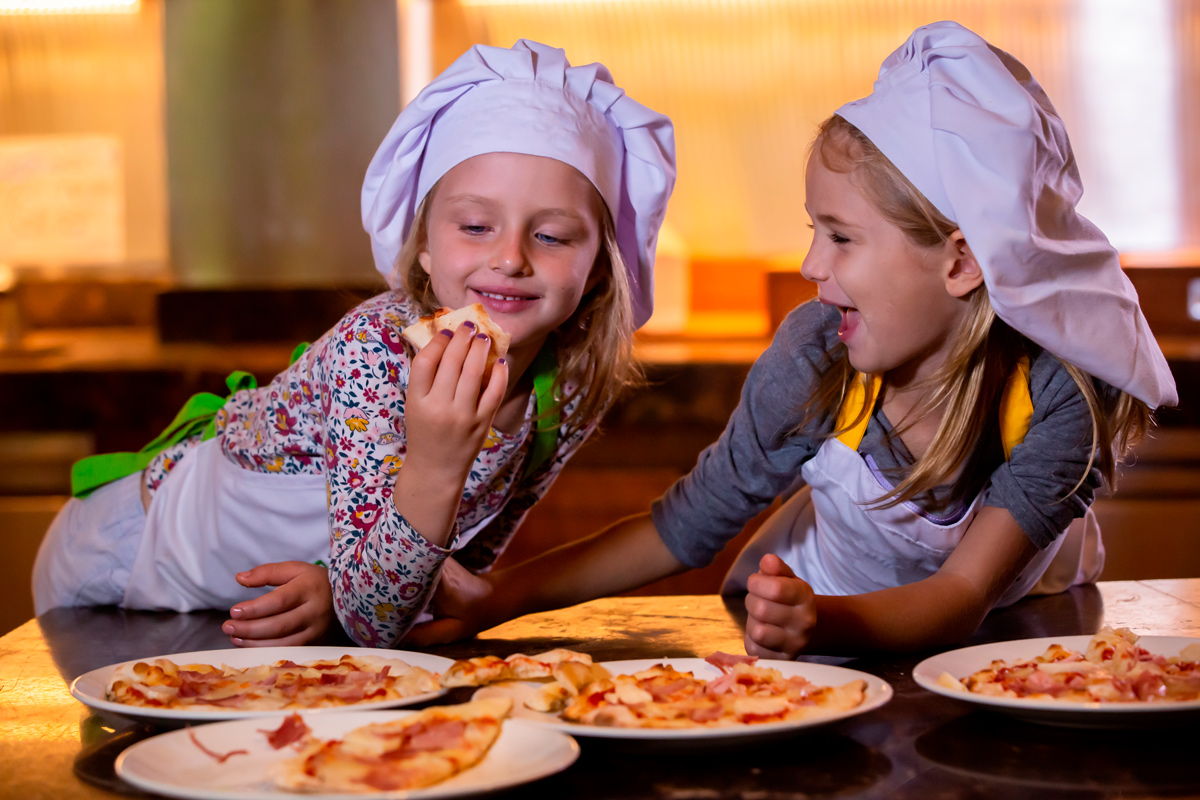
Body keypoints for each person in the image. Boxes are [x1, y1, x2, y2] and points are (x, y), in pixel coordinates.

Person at [405, 22, 1177, 658]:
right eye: (815, 231)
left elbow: (962, 596)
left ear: (962, 261)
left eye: (840, 236)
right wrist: (501, 596)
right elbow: (685, 526)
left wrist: (822, 622)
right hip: (816, 634)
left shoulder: (1059, 395)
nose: (811, 266)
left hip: (991, 644)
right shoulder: (818, 356)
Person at [31, 39, 676, 649]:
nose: (510, 257)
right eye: (476, 225)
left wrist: (360, 598)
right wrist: (430, 470)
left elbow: (449, 577)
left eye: (553, 236)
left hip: (252, 611)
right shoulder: (374, 349)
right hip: (123, 559)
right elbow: (373, 619)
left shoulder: (569, 390)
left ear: (599, 266)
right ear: (424, 248)